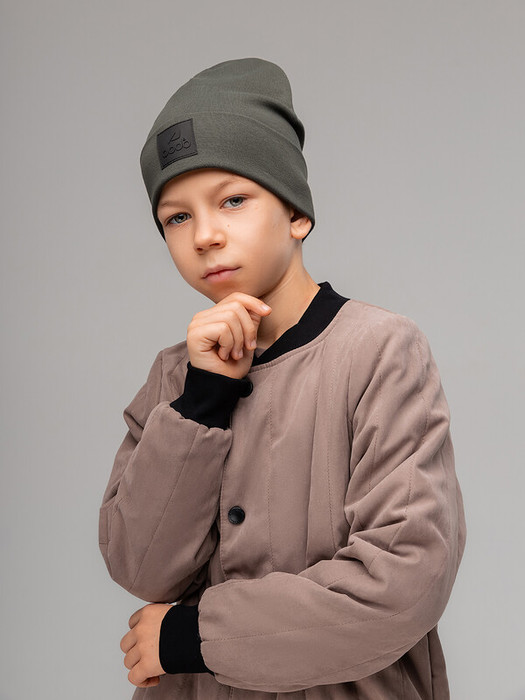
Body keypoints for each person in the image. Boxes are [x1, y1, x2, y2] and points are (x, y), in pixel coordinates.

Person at [99, 57, 466, 699]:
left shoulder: (379, 351)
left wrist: (191, 637)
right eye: (176, 218)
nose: (204, 236)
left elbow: (406, 578)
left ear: (297, 213)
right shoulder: (174, 377)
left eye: (233, 200)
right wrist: (203, 400)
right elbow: (140, 566)